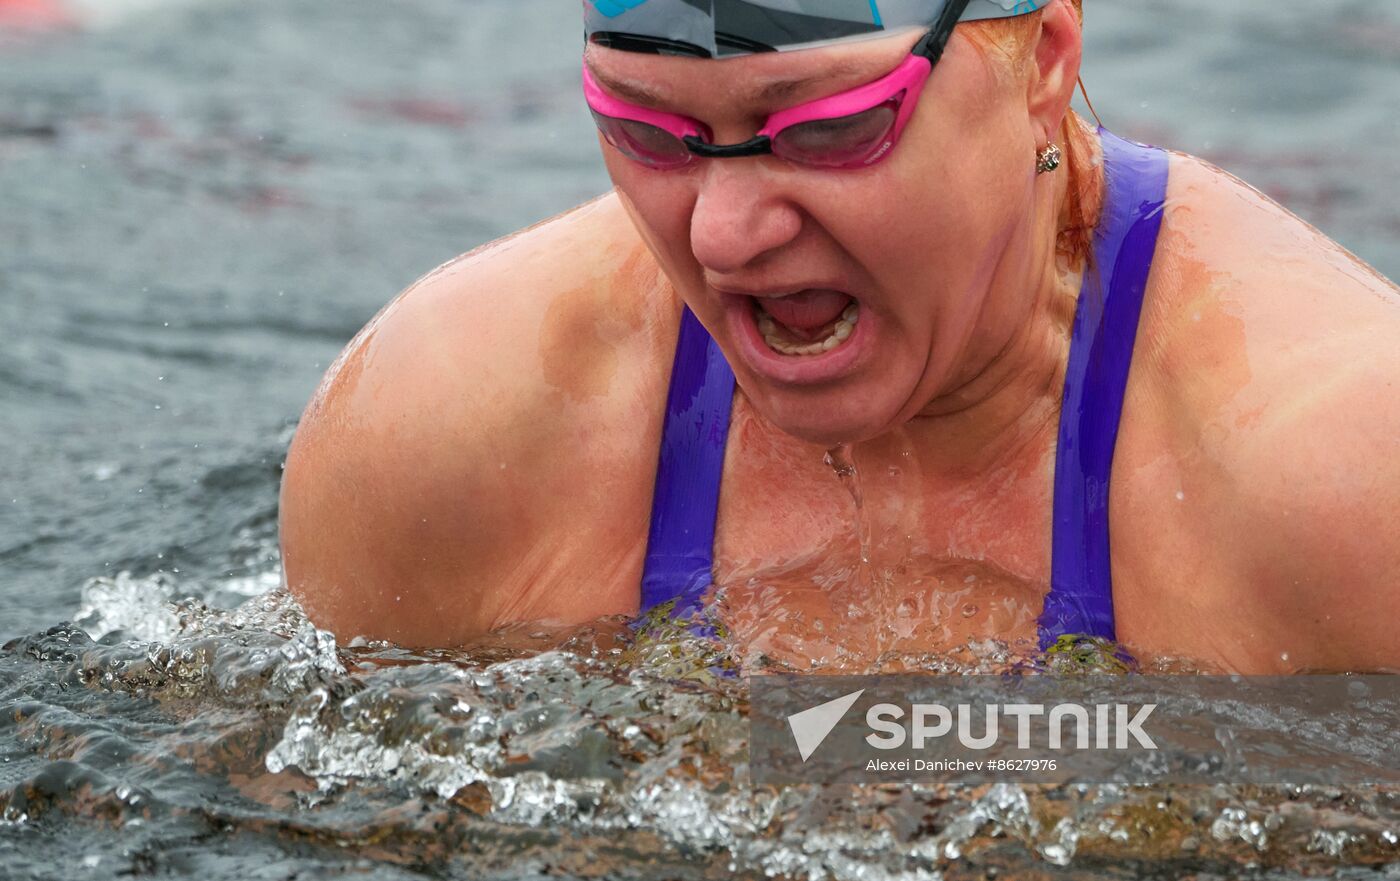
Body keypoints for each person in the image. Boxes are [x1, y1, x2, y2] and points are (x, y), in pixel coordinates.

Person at [278, 0, 1400, 674]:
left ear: (1046, 60)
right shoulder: (445, 433)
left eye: (829, 129)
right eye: (646, 132)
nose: (722, 232)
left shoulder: (1338, 480)